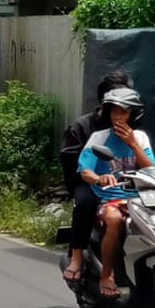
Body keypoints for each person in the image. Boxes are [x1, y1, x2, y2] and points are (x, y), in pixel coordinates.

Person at [79, 87, 155, 299]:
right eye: (115, 111)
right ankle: (107, 275)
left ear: (132, 114)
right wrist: (99, 178)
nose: (118, 117)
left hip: (139, 200)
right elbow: (85, 170)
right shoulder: (99, 138)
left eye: (123, 112)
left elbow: (152, 171)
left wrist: (132, 144)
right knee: (114, 219)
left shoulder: (139, 138)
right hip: (110, 199)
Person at [59, 71, 131, 285]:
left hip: (121, 181)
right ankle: (77, 257)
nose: (121, 113)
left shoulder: (131, 127)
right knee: (85, 203)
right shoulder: (83, 127)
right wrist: (94, 176)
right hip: (88, 181)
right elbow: (71, 161)